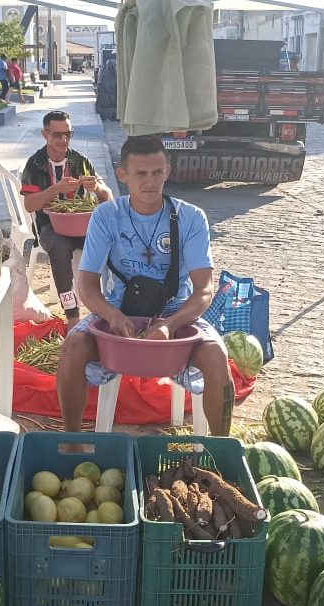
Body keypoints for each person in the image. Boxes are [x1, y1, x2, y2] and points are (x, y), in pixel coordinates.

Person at [56, 135, 234, 436]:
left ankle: (219, 451)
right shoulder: (106, 215)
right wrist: (112, 316)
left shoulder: (191, 218)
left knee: (217, 356)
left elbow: (204, 289)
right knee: (73, 346)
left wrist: (169, 324)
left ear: (167, 171)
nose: (150, 182)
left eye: (157, 172)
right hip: (119, 311)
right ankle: (72, 441)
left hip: (177, 315)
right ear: (123, 175)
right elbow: (85, 284)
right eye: (140, 174)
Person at [20, 111, 114, 327]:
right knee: (60, 247)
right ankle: (72, 314)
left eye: (68, 135)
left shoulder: (80, 161)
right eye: (57, 135)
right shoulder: (36, 163)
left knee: (103, 243)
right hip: (50, 227)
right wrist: (54, 190)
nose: (63, 140)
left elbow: (107, 197)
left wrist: (97, 187)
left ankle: (102, 306)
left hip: (81, 226)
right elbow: (30, 204)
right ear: (45, 134)